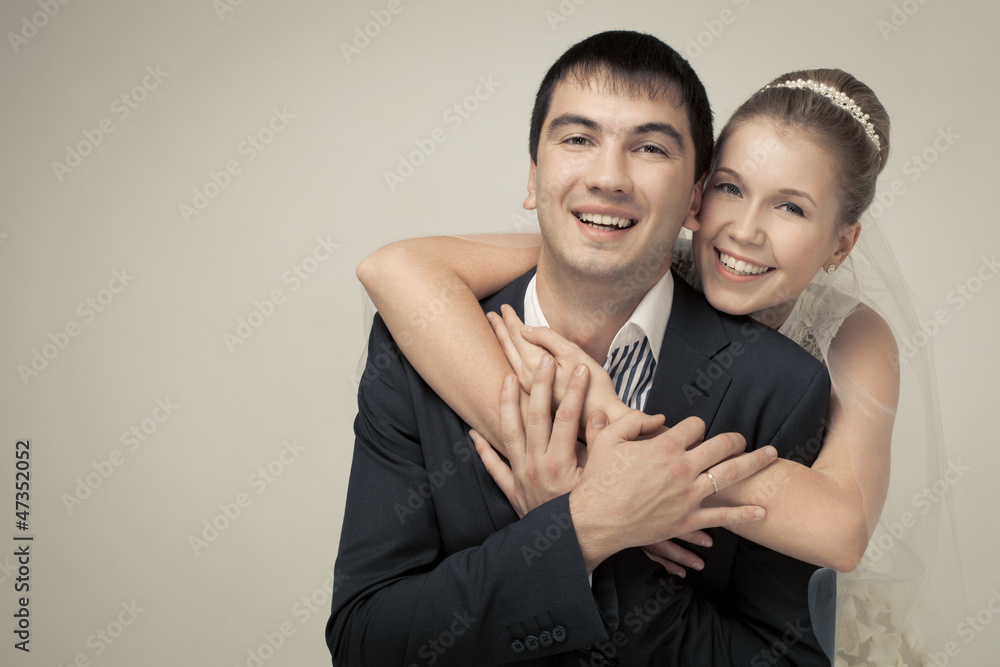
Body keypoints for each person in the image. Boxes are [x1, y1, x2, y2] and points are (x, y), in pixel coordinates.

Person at [358, 60, 967, 666]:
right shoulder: (624, 240)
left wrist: (611, 449)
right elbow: (398, 268)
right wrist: (576, 480)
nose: (744, 232)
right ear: (697, 199)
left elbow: (842, 530)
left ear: (841, 243)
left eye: (792, 208)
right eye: (731, 188)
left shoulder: (845, 340)